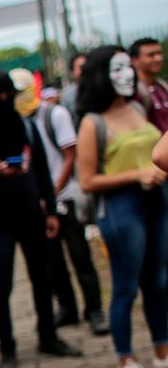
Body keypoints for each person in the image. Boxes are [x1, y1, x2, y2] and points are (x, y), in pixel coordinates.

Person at [0, 71, 82, 368]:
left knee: (42, 278)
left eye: (7, 94)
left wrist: (50, 211)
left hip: (30, 213)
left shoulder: (26, 126)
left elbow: (41, 171)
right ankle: (7, 347)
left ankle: (48, 336)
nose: (3, 100)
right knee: (2, 285)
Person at [76, 45, 168, 368]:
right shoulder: (92, 123)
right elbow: (87, 181)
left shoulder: (138, 107)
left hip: (155, 202)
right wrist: (137, 174)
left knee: (158, 281)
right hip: (120, 209)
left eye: (128, 66)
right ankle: (125, 360)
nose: (128, 74)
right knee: (125, 287)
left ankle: (162, 349)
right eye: (118, 68)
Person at [9, 67, 109, 336]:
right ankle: (67, 307)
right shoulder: (16, 123)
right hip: (39, 204)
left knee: (80, 256)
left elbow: (70, 155)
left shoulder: (55, 114)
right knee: (52, 263)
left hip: (65, 198)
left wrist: (51, 193)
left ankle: (95, 309)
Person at [130, 38, 168, 133]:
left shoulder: (163, 86)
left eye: (159, 53)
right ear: (134, 61)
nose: (158, 58)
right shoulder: (134, 93)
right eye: (151, 55)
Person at [61, 53, 86, 121]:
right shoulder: (68, 95)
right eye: (80, 67)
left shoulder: (101, 89)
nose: (84, 70)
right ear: (72, 72)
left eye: (86, 66)